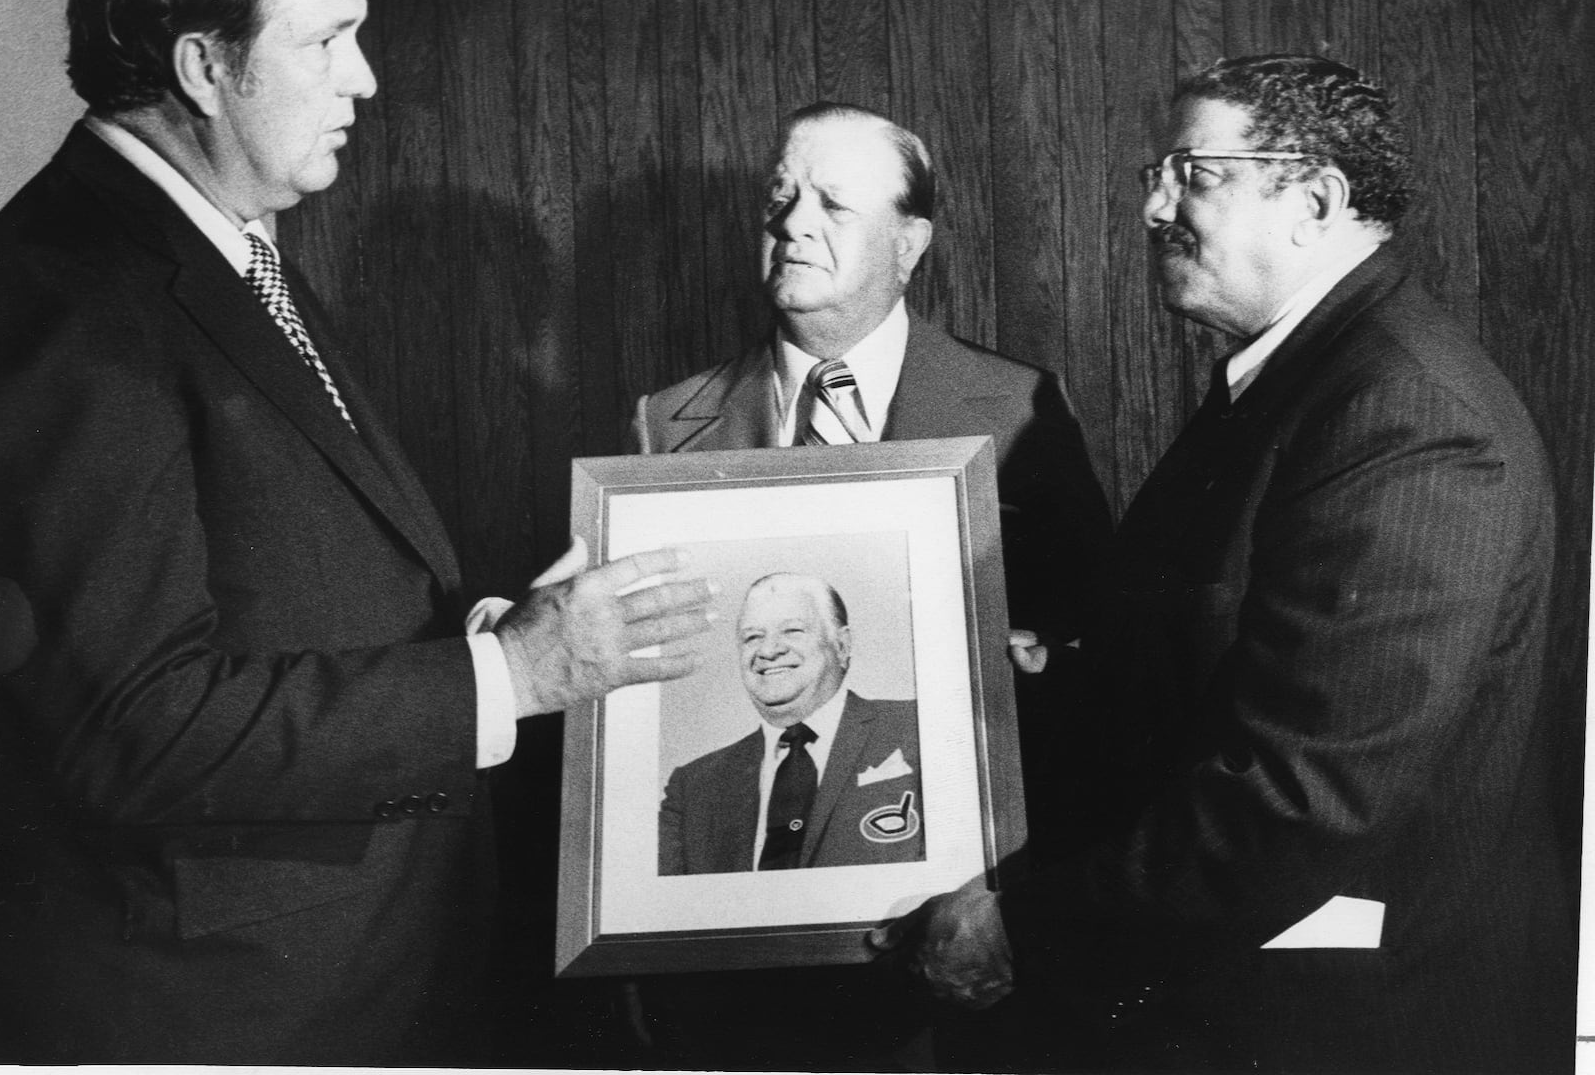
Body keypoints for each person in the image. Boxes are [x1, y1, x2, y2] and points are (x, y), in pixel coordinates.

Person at [0, 0, 716, 1065]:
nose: (365, 80)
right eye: (329, 39)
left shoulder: (224, 249)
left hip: (354, 970)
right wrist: (511, 676)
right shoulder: (66, 296)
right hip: (230, 1012)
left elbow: (288, 581)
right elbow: (141, 726)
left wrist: (490, 632)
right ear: (202, 68)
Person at [873, 54, 1574, 1073]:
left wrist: (1020, 928)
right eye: (1155, 176)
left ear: (1314, 201)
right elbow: (1226, 653)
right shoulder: (1297, 383)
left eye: (1193, 175)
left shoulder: (1409, 419)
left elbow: (1303, 800)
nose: (1155, 206)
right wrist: (1067, 669)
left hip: (1351, 1033)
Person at [633, 101, 1111, 853]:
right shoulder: (665, 424)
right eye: (781, 197)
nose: (793, 223)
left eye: (834, 204)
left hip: (963, 844)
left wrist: (1038, 658)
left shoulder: (1022, 408)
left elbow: (1095, 633)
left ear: (908, 242)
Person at [659, 572, 923, 876]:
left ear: (841, 646)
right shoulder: (694, 787)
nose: (769, 650)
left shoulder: (917, 728)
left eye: (792, 630)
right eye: (752, 637)